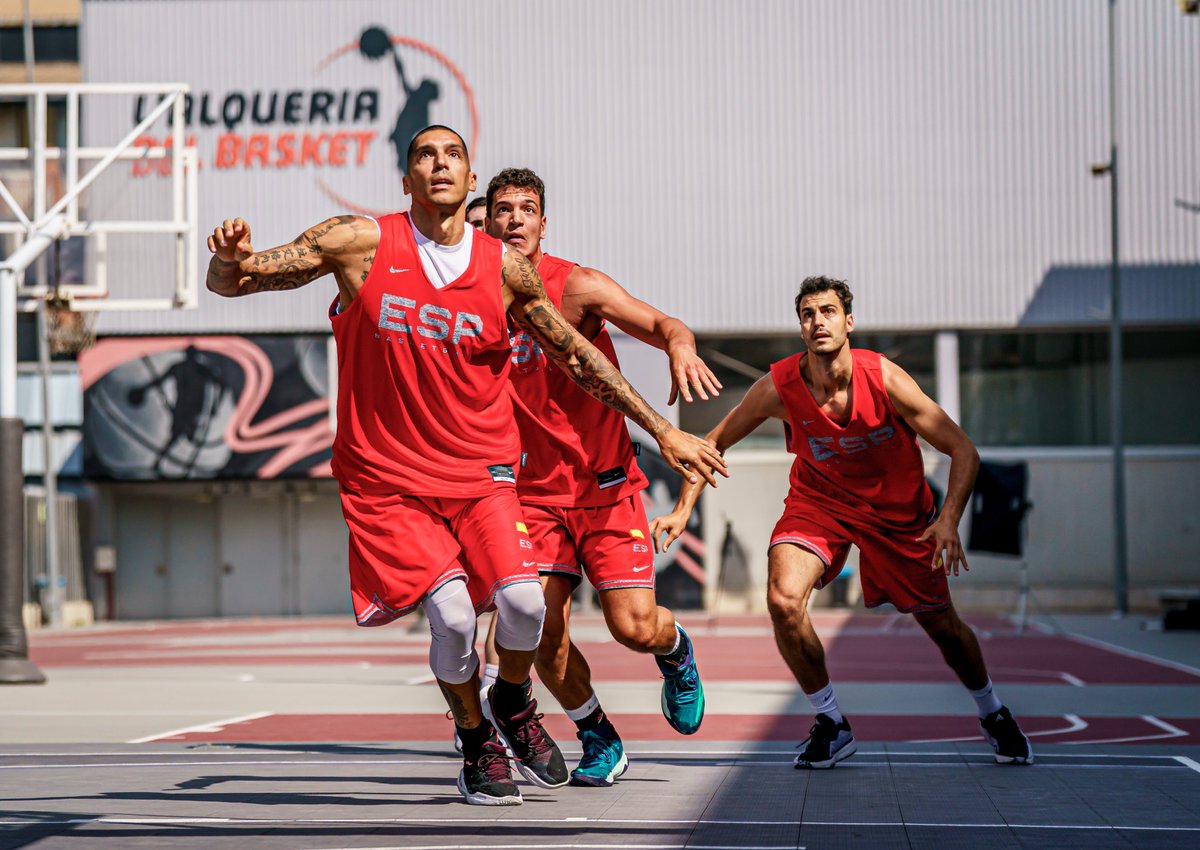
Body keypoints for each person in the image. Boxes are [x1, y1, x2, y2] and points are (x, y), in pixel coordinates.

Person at [205, 125, 727, 805]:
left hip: (521, 480)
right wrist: (228, 260)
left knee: (551, 611)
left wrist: (662, 428)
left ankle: (521, 699)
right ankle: (492, 738)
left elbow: (579, 354)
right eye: (425, 154)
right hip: (403, 481)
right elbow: (236, 283)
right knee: (461, 619)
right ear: (408, 178)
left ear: (469, 176)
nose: (439, 163)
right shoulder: (358, 242)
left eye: (452, 153)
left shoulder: (516, 275)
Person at [651, 276, 1033, 769]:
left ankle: (993, 711)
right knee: (783, 599)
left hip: (899, 515)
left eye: (828, 311)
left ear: (848, 322)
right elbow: (712, 443)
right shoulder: (780, 387)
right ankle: (831, 723)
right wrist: (683, 509)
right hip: (821, 502)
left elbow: (963, 450)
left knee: (942, 626)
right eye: (808, 314)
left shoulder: (885, 379)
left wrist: (948, 520)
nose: (818, 321)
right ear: (801, 327)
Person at [485, 167, 721, 787]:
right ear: (485, 223)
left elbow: (666, 325)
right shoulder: (471, 296)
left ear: (543, 224)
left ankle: (676, 652)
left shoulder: (579, 286)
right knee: (540, 634)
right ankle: (598, 735)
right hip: (532, 497)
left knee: (633, 627)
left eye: (526, 209)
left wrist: (680, 346)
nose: (513, 219)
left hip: (607, 487)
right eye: (501, 208)